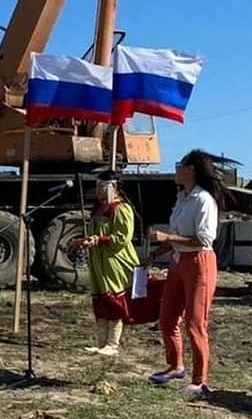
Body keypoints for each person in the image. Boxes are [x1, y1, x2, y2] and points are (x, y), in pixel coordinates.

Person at [147, 149, 224, 399]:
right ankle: (175, 365)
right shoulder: (182, 198)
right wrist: (155, 254)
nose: (176, 168)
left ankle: (200, 381)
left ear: (191, 170)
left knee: (195, 321)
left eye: (180, 164)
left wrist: (168, 237)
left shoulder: (204, 200)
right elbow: (177, 236)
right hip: (178, 261)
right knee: (168, 317)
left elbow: (203, 239)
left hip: (199, 263)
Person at [72, 174, 139, 356]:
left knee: (113, 298)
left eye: (103, 186)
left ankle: (112, 344)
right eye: (98, 185)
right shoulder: (98, 209)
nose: (99, 189)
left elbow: (123, 238)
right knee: (100, 297)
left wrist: (99, 239)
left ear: (114, 188)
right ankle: (101, 342)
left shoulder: (121, 209)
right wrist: (83, 241)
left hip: (114, 259)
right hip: (98, 260)